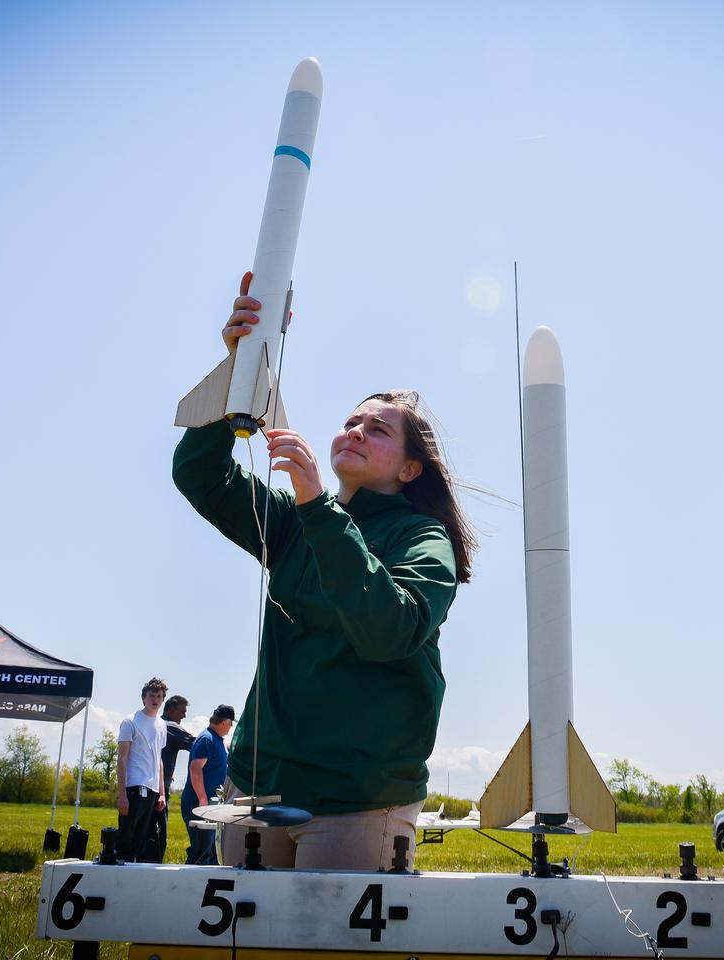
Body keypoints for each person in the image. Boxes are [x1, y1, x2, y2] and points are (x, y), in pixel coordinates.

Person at [172, 271, 476, 871]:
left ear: (410, 470)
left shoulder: (422, 538)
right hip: (257, 786)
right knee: (246, 928)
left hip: (359, 798)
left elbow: (389, 629)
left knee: (326, 930)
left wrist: (317, 505)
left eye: (377, 429)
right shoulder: (294, 522)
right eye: (351, 421)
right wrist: (239, 368)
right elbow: (200, 475)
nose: (355, 431)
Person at [116, 677, 168, 862]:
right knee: (126, 838)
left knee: (143, 841)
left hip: (153, 790)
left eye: (159, 696)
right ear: (144, 698)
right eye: (152, 695)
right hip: (134, 786)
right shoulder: (130, 721)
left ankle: (134, 872)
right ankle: (118, 871)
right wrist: (122, 795)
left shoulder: (162, 724)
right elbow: (121, 759)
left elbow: (159, 760)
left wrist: (162, 793)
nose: (155, 700)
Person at [181, 704, 236, 864]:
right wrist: (202, 799)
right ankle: (190, 879)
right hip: (200, 805)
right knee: (201, 853)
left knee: (211, 853)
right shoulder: (207, 739)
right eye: (230, 723)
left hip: (211, 807)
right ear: (225, 722)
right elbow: (195, 768)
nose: (231, 727)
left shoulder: (217, 740)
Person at [141, 694, 194, 862]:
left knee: (143, 829)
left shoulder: (154, 724)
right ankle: (153, 864)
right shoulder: (170, 726)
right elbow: (197, 744)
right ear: (171, 709)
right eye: (182, 711)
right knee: (158, 833)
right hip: (159, 789)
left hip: (143, 785)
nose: (184, 716)